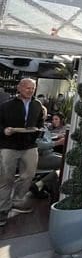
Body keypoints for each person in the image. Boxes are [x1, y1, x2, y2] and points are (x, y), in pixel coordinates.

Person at [0, 77, 45, 226]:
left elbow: (40, 122)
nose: (31, 91)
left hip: (29, 146)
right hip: (9, 145)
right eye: (28, 88)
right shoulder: (6, 106)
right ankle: (3, 209)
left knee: (29, 175)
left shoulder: (37, 105)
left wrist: (36, 133)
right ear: (19, 88)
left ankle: (17, 200)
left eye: (33, 88)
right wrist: (4, 130)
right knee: (6, 178)